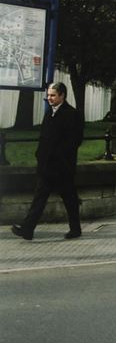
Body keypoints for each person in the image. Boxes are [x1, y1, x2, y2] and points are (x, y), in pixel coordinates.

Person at [11, 82, 84, 241]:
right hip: (47, 166)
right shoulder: (49, 112)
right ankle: (28, 229)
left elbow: (74, 140)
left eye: (52, 95)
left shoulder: (72, 114)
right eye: (48, 95)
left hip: (62, 166)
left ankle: (75, 229)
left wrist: (58, 156)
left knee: (69, 199)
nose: (49, 98)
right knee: (41, 197)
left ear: (62, 96)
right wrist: (40, 155)